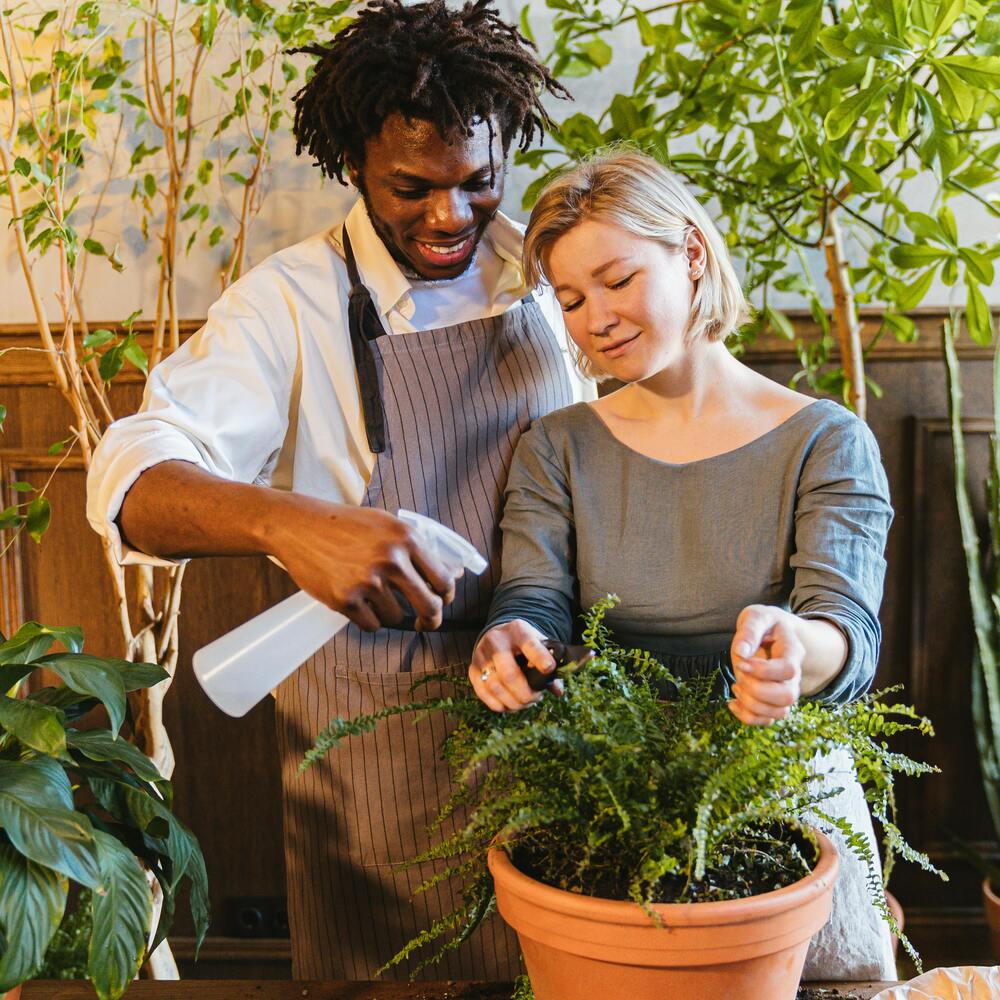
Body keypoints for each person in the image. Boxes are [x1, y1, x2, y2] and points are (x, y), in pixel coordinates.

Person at [86, 0, 593, 981]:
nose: (450, 214)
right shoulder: (287, 303)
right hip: (376, 746)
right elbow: (131, 477)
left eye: (478, 182)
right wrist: (291, 523)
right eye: (414, 186)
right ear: (354, 164)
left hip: (553, 713)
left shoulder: (548, 274)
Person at [469, 149, 898, 979]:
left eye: (619, 278)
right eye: (572, 300)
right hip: (609, 804)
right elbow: (534, 601)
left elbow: (846, 629)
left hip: (788, 799)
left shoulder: (826, 439)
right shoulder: (557, 446)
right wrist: (511, 639)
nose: (597, 317)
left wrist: (790, 653)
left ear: (692, 255)